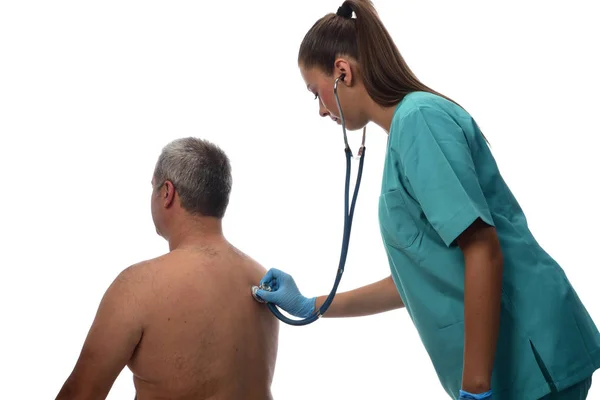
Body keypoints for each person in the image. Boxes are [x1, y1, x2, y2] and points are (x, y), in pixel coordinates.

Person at [254, 1, 600, 399]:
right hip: (516, 367)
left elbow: (482, 249)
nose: (319, 110)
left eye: (316, 92)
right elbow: (416, 283)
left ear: (342, 73)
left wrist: (475, 388)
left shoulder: (419, 122)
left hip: (531, 357)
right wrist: (312, 304)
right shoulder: (406, 135)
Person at [57, 137, 279, 400]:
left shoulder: (139, 286)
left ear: (167, 192)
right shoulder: (262, 281)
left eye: (153, 187)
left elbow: (81, 394)